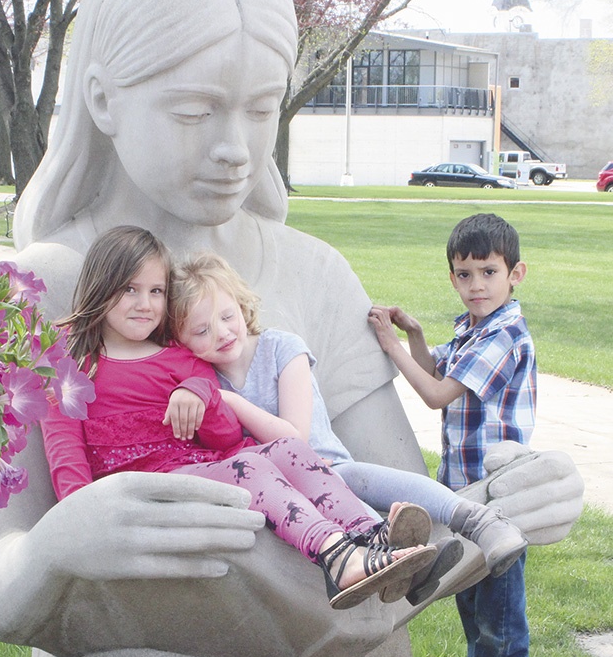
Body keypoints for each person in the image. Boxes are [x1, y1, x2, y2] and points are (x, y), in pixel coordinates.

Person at [0, 0, 582, 657]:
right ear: (103, 99)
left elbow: (398, 503)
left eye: (261, 108)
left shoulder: (317, 275)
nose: (233, 147)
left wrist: (505, 495)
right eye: (192, 110)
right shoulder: (45, 289)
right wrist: (58, 553)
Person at [43, 226, 436, 610]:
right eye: (130, 289)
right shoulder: (71, 363)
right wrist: (81, 516)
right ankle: (337, 556)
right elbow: (65, 450)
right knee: (250, 463)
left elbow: (225, 438)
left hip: (197, 470)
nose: (144, 303)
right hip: (140, 488)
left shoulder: (181, 360)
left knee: (286, 447)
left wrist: (199, 393)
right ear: (100, 285)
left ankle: (369, 535)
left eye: (156, 291)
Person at [169, 252, 528, 606]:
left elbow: (295, 437)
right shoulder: (202, 382)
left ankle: (480, 522)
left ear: (240, 302)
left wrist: (229, 401)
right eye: (201, 330)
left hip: (328, 467)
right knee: (354, 519)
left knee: (369, 480)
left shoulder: (281, 348)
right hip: (281, 498)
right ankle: (412, 568)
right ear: (180, 341)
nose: (221, 333)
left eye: (227, 316)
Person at [368, 212, 535, 657]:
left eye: (488, 272)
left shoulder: (503, 337)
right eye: (464, 274)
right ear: (451, 277)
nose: (476, 285)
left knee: (500, 605)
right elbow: (438, 368)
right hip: (468, 486)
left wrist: (391, 348)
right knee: (473, 596)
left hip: (499, 493)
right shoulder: (473, 330)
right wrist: (414, 334)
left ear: (516, 274)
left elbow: (435, 394)